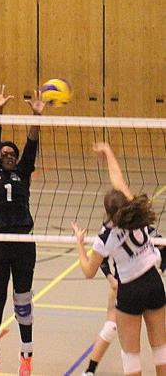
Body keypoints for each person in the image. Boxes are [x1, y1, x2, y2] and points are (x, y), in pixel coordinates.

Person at [72, 141, 166, 376]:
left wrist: (80, 244)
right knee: (161, 348)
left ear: (108, 212)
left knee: (131, 355)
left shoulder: (105, 237)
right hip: (153, 282)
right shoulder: (138, 213)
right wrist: (108, 151)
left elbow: (88, 271)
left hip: (130, 290)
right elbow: (119, 181)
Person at [0, 84, 45, 376]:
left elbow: (31, 144)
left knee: (22, 301)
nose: (7, 153)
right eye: (3, 152)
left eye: (12, 152)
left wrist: (36, 116)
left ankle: (26, 356)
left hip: (23, 244)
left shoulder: (23, 173)